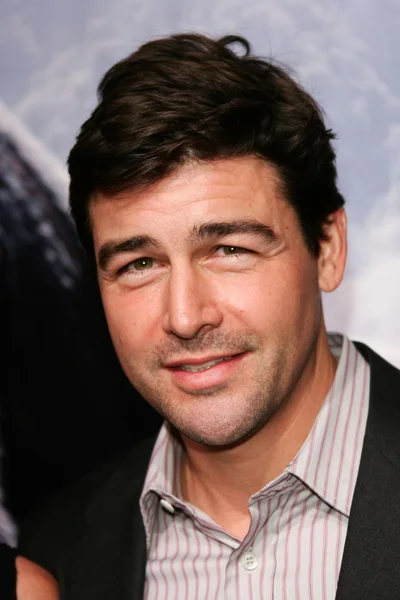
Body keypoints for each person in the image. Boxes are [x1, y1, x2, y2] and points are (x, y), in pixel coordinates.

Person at [17, 33, 400, 600]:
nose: (184, 316)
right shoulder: (57, 555)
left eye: (228, 250)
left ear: (327, 248)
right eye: (139, 264)